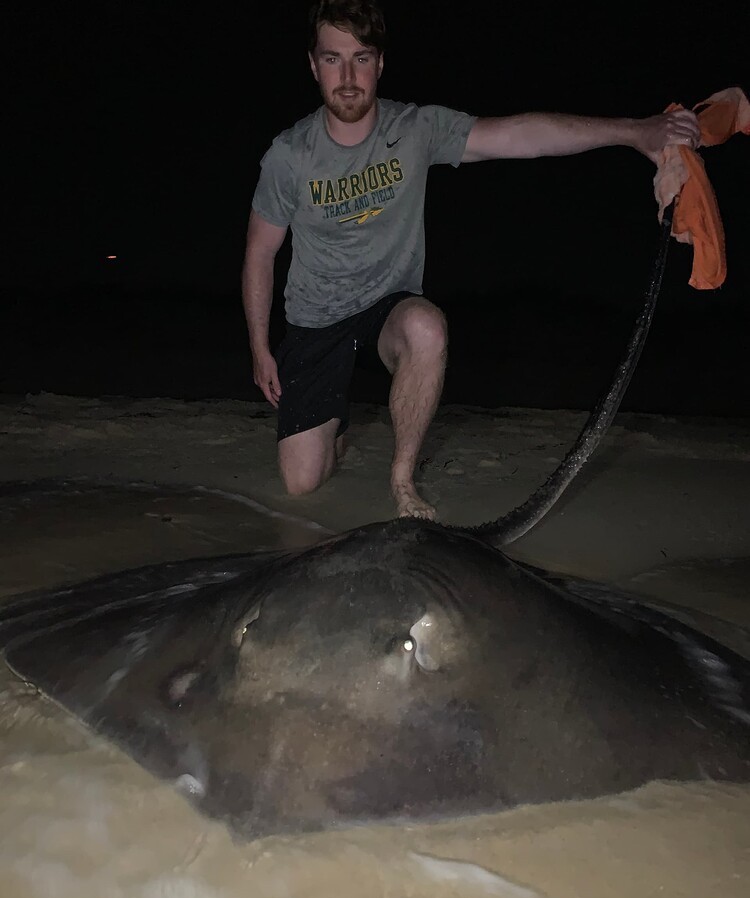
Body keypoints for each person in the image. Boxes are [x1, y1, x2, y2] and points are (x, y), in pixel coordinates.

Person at [242, 0, 699, 520]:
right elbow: (261, 251)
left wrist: (634, 132)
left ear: (380, 64)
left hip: (387, 304)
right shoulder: (289, 155)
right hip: (316, 317)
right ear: (312, 65)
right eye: (332, 59)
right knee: (303, 484)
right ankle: (336, 430)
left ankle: (403, 484)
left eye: (361, 58)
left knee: (426, 327)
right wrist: (260, 347)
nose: (348, 77)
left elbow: (523, 136)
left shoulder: (416, 129)